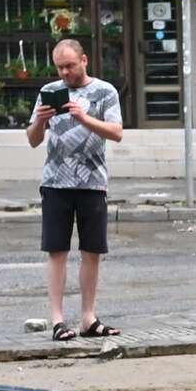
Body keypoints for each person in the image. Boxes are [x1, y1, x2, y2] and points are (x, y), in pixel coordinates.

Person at [27, 38, 124, 341]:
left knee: (91, 251)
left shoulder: (105, 91)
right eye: (60, 68)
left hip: (92, 182)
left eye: (70, 65)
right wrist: (40, 122)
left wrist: (84, 117)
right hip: (55, 183)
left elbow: (117, 132)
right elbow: (32, 140)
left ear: (84, 60)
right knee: (57, 251)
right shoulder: (49, 93)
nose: (65, 73)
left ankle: (88, 318)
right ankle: (57, 320)